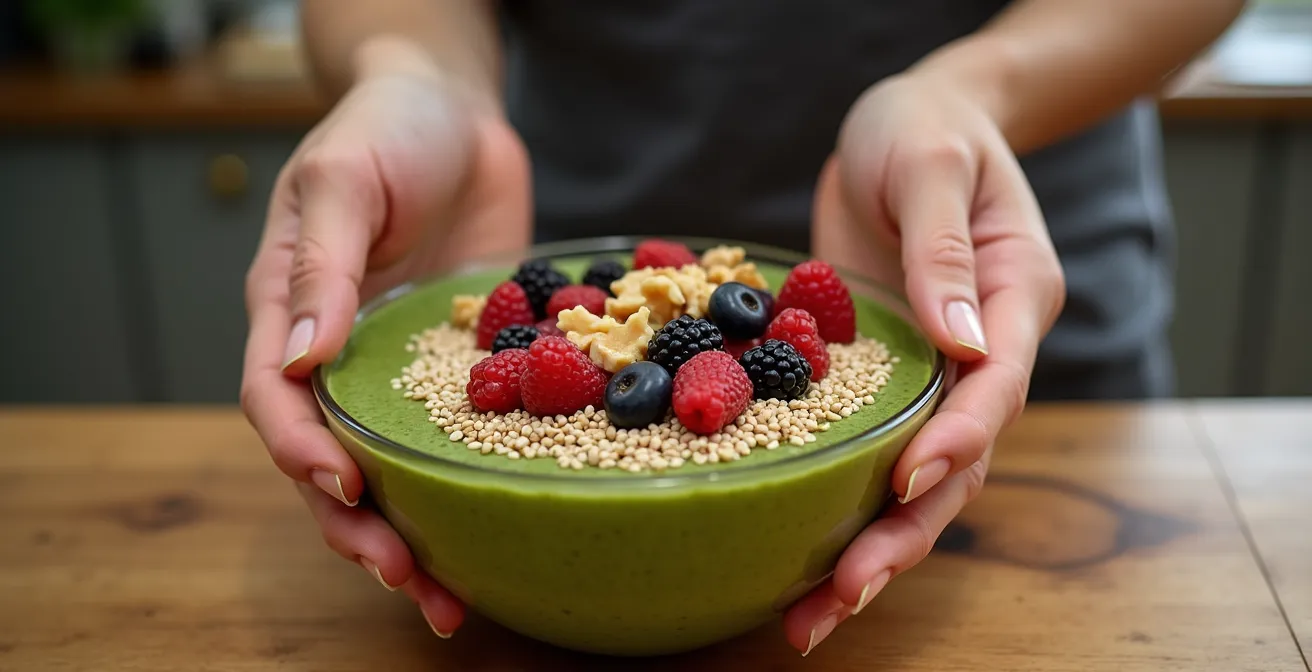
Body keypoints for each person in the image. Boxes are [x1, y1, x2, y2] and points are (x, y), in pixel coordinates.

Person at [239, 0, 1245, 655]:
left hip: (974, 255)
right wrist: (413, 75)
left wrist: (972, 91)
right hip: (526, 215)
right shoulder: (546, 337)